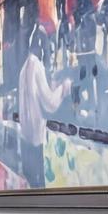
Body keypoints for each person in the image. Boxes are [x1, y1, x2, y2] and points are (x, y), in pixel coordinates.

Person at [16, 24, 73, 189]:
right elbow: (49, 103)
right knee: (39, 188)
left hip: (25, 137)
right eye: (47, 47)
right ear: (41, 45)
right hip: (35, 139)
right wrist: (64, 88)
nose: (47, 52)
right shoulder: (37, 67)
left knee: (30, 187)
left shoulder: (24, 69)